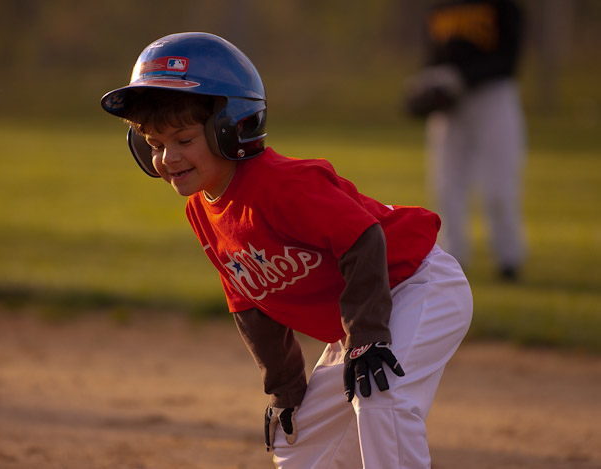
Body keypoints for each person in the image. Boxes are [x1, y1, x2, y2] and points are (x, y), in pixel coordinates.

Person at [101, 32, 473, 469]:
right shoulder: (202, 210)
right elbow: (250, 304)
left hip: (418, 284)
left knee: (379, 393)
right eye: (156, 145)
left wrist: (367, 336)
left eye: (183, 140)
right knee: (301, 436)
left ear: (232, 125)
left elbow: (363, 238)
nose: (167, 157)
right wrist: (286, 387)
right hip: (362, 310)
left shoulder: (283, 185)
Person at [405, 0, 527, 281]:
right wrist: (427, 80)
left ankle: (509, 259)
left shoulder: (501, 5)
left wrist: (463, 76)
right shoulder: (438, 6)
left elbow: (509, 58)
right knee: (446, 184)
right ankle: (452, 257)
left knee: (499, 184)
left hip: (493, 97)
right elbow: (435, 54)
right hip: (450, 103)